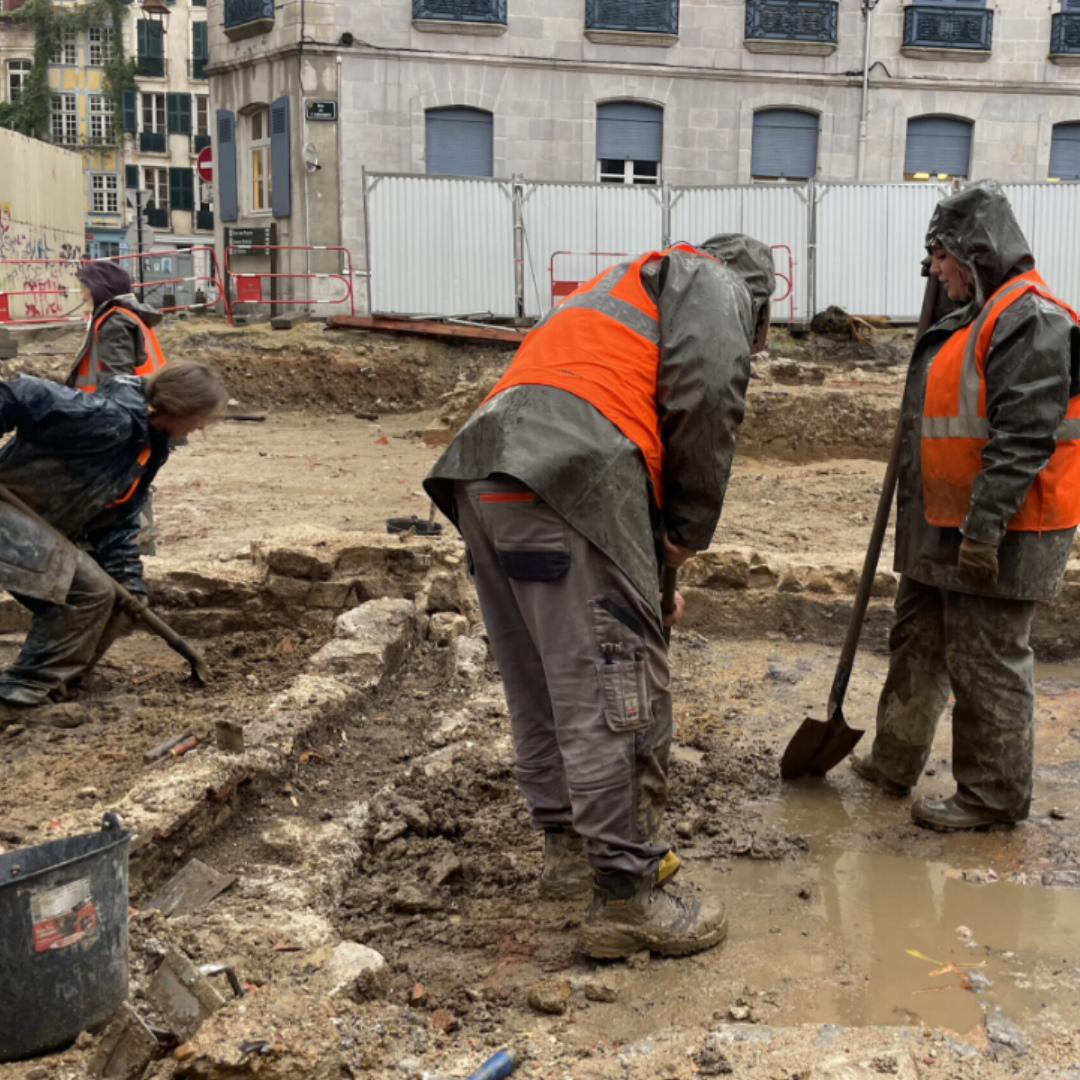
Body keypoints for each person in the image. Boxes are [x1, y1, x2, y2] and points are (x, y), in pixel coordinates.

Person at [424, 236, 775, 958]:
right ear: (758, 304)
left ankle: (567, 850)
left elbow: (630, 411)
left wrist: (656, 575)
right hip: (569, 474)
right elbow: (706, 400)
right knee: (615, 690)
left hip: (488, 473)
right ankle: (626, 894)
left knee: (543, 681)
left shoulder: (628, 287)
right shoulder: (713, 283)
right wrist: (684, 532)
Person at [852, 181, 1080, 831]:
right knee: (916, 639)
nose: (932, 270)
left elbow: (1023, 437)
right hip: (944, 528)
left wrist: (983, 531)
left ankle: (993, 795)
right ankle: (895, 757)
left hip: (1004, 528)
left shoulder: (1029, 318)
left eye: (940, 256)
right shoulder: (975, 318)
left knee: (986, 660)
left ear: (972, 252)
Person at [0, 362, 228, 727]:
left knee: (121, 600)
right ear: (177, 410)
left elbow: (119, 518)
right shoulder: (108, 420)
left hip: (40, 525)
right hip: (8, 509)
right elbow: (18, 393)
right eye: (200, 419)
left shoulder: (147, 447)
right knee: (87, 591)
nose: (200, 428)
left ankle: (57, 682)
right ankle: (18, 699)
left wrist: (129, 580)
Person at [67, 261, 166, 391]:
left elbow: (116, 382)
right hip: (143, 400)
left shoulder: (115, 321)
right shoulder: (128, 315)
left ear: (98, 291)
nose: (82, 294)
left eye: (85, 288)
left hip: (112, 406)